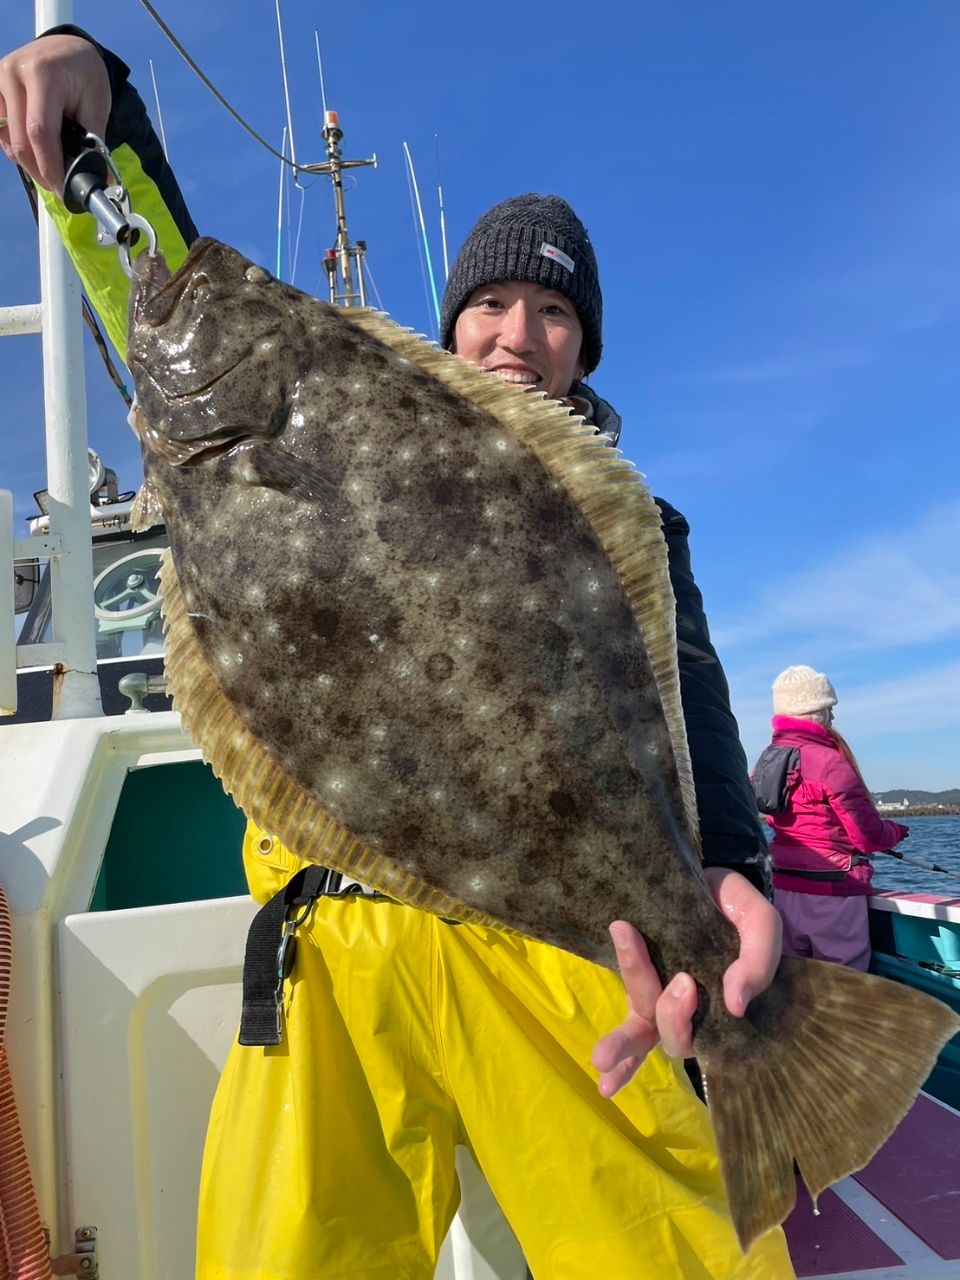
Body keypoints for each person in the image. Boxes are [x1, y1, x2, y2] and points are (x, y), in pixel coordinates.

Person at [0, 29, 793, 1279]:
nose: (517, 333)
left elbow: (682, 695)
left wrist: (732, 866)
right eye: (491, 301)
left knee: (685, 1257)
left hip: (560, 947)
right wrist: (101, 96)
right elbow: (149, 277)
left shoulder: (627, 518)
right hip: (333, 930)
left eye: (552, 312)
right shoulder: (321, 406)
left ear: (582, 348)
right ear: (450, 320)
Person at [755, 664, 909, 971]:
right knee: (846, 983)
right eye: (829, 709)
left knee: (796, 984)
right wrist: (896, 831)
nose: (833, 718)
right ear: (816, 712)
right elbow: (868, 837)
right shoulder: (830, 763)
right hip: (833, 895)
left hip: (784, 890)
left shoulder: (766, 761)